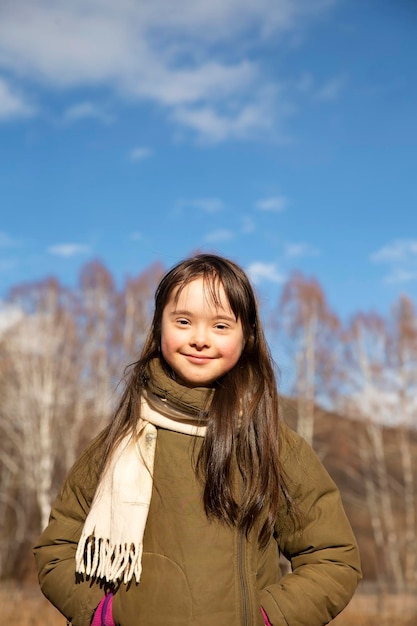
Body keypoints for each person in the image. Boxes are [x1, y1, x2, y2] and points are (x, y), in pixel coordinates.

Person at [34, 253, 361, 626]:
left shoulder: (274, 445)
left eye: (221, 326)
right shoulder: (118, 441)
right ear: (159, 328)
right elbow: (57, 549)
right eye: (184, 321)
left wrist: (267, 618)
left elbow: (333, 557)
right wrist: (103, 613)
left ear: (247, 336)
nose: (200, 339)